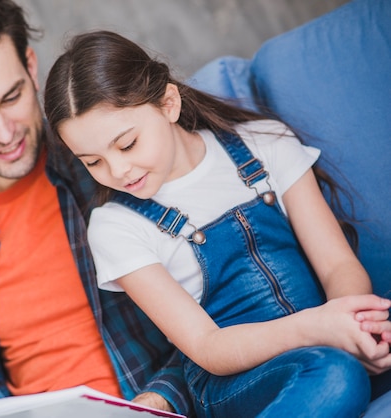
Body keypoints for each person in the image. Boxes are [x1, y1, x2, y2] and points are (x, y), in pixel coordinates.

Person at [43, 30, 391, 417]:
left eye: (127, 145)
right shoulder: (115, 227)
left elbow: (338, 265)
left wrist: (353, 326)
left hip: (326, 339)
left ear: (168, 103)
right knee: (336, 376)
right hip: (232, 381)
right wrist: (320, 330)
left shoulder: (265, 143)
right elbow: (208, 347)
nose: (118, 170)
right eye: (92, 162)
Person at [0, 0, 190, 414]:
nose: (3, 132)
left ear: (31, 67)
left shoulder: (121, 163)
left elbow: (226, 299)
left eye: (12, 96)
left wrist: (158, 400)